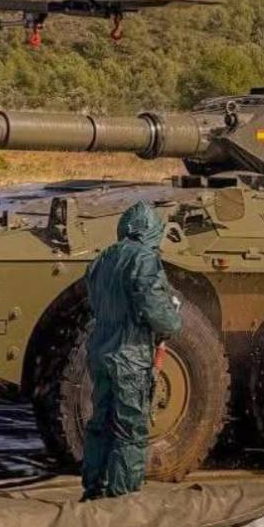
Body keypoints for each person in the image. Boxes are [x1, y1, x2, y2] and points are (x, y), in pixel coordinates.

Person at [81, 200, 182, 500]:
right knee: (129, 433)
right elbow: (158, 312)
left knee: (101, 424)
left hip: (100, 353)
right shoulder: (144, 259)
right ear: (151, 231)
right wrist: (172, 320)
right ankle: (122, 501)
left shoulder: (101, 261)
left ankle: (93, 490)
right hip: (131, 358)